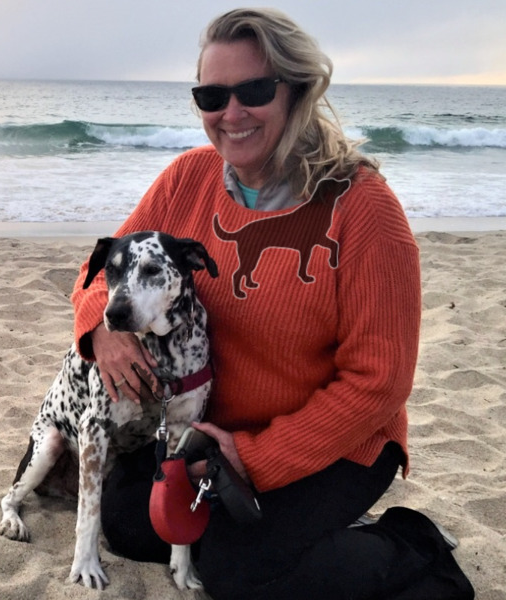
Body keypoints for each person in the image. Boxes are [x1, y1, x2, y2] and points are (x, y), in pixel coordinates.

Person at [70, 8, 474, 600]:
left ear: (296, 92)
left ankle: (413, 543)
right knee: (129, 522)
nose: (231, 114)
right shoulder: (187, 178)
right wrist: (100, 331)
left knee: (238, 570)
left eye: (254, 91)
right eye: (212, 96)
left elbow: (380, 383)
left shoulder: (364, 209)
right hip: (210, 431)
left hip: (341, 443)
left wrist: (256, 458)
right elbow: (101, 272)